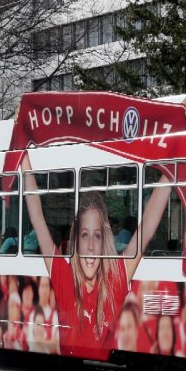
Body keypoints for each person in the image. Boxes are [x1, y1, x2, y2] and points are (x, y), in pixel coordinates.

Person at [21, 151, 173, 359]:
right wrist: (22, 153)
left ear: (104, 242)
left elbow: (146, 228)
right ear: (76, 240)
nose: (91, 246)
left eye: (97, 236)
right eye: (85, 236)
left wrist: (176, 156)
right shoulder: (63, 276)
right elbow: (37, 216)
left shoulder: (116, 279)